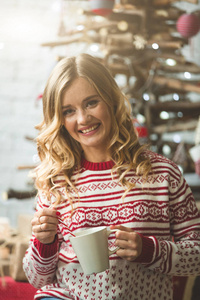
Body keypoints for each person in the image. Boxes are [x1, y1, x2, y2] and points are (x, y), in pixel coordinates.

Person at [23, 53, 200, 300]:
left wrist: (150, 251)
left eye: (91, 102)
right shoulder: (56, 183)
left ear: (111, 100)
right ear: (60, 120)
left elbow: (197, 258)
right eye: (68, 111)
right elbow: (37, 278)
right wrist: (44, 242)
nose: (83, 119)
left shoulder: (163, 175)